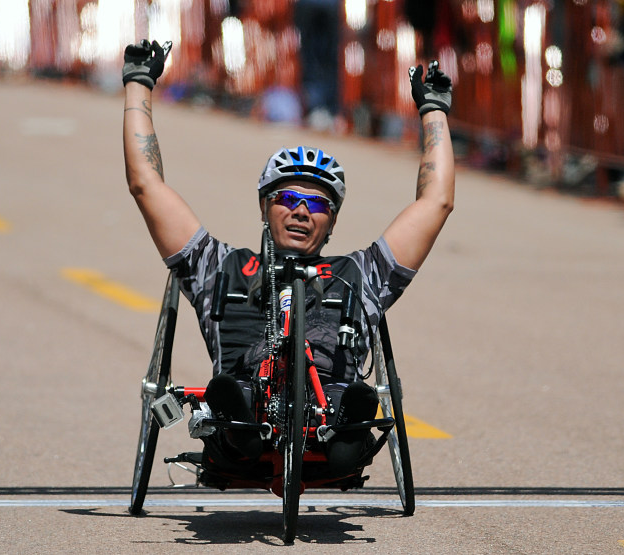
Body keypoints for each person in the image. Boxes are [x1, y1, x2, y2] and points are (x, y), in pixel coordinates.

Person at [122, 40, 454, 477]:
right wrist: (139, 84)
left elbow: (437, 203)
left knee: (347, 412)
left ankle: (349, 426)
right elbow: (146, 185)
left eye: (317, 204)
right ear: (264, 207)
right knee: (232, 397)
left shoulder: (359, 274)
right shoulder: (218, 266)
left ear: (332, 222)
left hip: (329, 423)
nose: (301, 211)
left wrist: (434, 109)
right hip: (240, 417)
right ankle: (237, 419)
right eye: (288, 198)